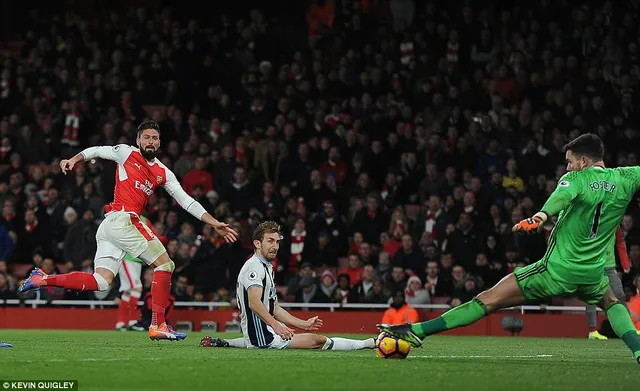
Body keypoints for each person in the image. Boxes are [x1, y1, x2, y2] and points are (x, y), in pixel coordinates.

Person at [378, 134, 640, 364]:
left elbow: (561, 197)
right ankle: (638, 351)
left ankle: (417, 331)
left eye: (570, 161)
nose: (567, 166)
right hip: (593, 274)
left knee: (489, 299)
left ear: (584, 162)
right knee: (613, 303)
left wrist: (540, 216)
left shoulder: (576, 178)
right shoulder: (626, 177)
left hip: (555, 271)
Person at [19, 120, 239, 341]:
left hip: (110, 226)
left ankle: (43, 278)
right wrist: (73, 159)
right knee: (165, 264)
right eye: (146, 137)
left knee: (102, 281)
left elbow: (186, 201)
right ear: (138, 140)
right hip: (122, 220)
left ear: (159, 142)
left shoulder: (163, 172)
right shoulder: (126, 153)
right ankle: (158, 324)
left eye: (154, 138)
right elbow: (97, 150)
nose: (150, 141)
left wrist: (213, 222)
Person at [200, 221, 376, 350]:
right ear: (257, 243)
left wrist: (303, 324)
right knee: (317, 340)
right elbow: (254, 303)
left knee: (310, 336)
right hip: (265, 340)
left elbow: (274, 308)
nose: (275, 246)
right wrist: (277, 326)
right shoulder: (254, 267)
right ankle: (367, 343)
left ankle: (226, 343)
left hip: (264, 335)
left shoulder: (266, 267)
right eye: (270, 241)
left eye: (277, 241)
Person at [585, 225, 633, 340]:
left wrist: (625, 263)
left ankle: (629, 328)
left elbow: (620, 242)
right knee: (590, 297)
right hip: (593, 266)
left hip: (610, 266)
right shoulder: (590, 223)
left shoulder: (614, 223)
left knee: (620, 295)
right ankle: (592, 331)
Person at [114, 215, 155, 331]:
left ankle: (121, 324)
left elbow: (152, 236)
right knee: (137, 287)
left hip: (137, 260)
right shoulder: (127, 217)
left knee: (128, 291)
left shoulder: (145, 219)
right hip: (127, 258)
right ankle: (133, 322)